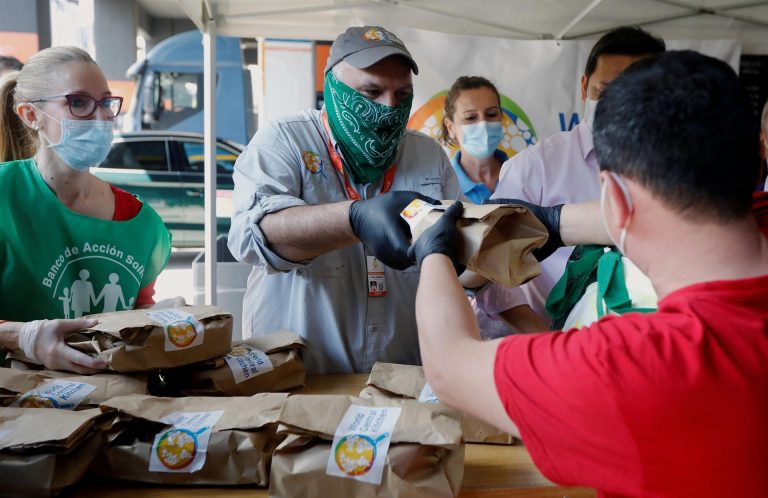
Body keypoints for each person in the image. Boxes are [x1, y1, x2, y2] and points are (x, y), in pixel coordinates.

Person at [409, 50, 768, 497]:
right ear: (758, 160)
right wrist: (553, 223)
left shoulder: (635, 366)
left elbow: (449, 366)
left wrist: (433, 250)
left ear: (612, 197)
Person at [228, 26, 459, 374]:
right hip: (300, 382)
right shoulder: (285, 141)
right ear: (332, 87)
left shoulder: (427, 154)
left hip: (401, 380)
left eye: (402, 94)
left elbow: (460, 260)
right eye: (371, 91)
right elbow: (253, 238)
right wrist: (353, 219)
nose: (388, 107)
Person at [0, 46, 172, 373]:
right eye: (78, 102)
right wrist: (21, 336)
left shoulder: (141, 224)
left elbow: (139, 310)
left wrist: (163, 318)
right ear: (30, 115)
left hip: (109, 408)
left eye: (106, 102)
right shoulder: (5, 199)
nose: (100, 117)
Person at [489, 26, 665, 322]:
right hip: (547, 347)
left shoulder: (676, 169)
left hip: (646, 349)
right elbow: (490, 269)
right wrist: (542, 340)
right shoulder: (536, 167)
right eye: (605, 90)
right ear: (584, 86)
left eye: (637, 94)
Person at [441, 75, 546, 336]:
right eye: (470, 118)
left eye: (491, 114)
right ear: (450, 126)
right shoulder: (443, 187)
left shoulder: (527, 176)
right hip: (464, 332)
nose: (483, 125)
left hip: (533, 323)